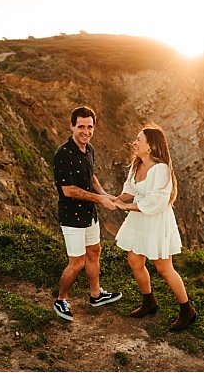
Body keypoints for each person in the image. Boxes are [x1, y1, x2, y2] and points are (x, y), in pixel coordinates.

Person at [113, 124, 197, 331]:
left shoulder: (161, 170)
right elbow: (128, 191)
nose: (134, 142)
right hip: (139, 219)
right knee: (134, 261)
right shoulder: (136, 166)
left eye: (138, 139)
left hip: (156, 221)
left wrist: (126, 207)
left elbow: (156, 202)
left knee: (164, 268)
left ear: (150, 146)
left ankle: (187, 310)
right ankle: (149, 301)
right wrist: (112, 200)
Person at [52, 106, 122, 321]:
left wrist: (104, 193)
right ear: (72, 126)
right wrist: (99, 199)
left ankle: (96, 294)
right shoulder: (63, 154)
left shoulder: (89, 149)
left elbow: (91, 177)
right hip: (71, 217)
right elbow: (68, 190)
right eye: (81, 126)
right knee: (77, 262)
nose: (85, 131)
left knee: (94, 252)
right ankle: (61, 299)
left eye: (89, 127)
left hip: (89, 215)